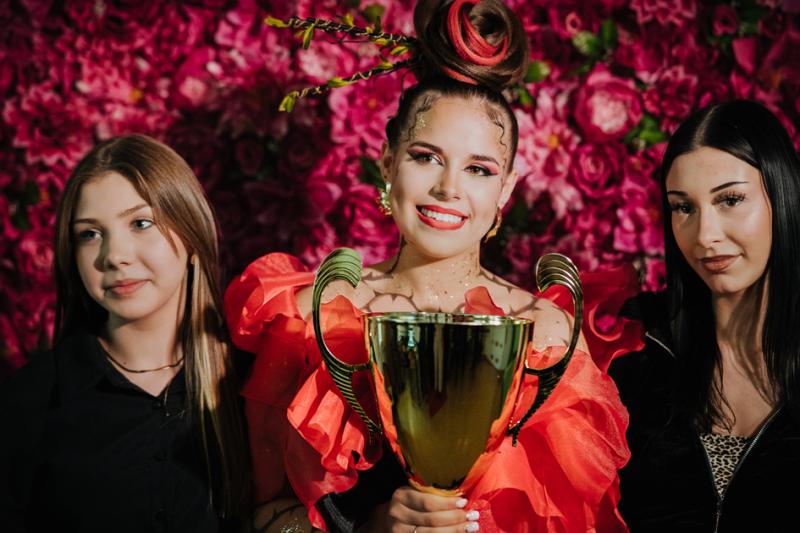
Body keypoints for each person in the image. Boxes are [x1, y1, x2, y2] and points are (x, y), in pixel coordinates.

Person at [225, 1, 636, 531]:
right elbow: (262, 513)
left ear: (506, 188)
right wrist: (370, 529)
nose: (448, 188)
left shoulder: (546, 335)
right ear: (388, 163)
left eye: (478, 169)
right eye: (425, 157)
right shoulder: (313, 318)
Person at [0, 134, 248, 532]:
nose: (114, 255)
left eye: (141, 223)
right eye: (90, 234)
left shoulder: (250, 385)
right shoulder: (30, 401)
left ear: (191, 232)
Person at [609, 99, 800, 532]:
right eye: (683, 207)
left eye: (730, 200)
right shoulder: (635, 347)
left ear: (782, 194)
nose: (705, 235)